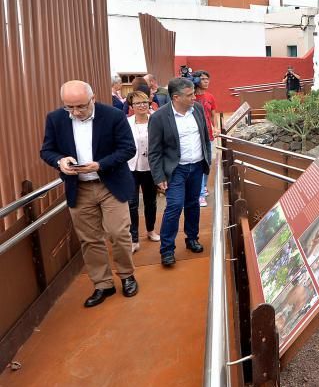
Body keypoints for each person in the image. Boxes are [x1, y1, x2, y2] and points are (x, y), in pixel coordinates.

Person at [40, 80, 138, 307]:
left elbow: (127, 149)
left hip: (110, 183)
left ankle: (127, 275)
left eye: (81, 106)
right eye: (69, 107)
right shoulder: (55, 119)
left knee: (118, 233)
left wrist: (100, 165)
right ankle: (103, 284)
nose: (75, 112)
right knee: (89, 239)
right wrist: (59, 160)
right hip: (79, 187)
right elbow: (47, 150)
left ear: (92, 99)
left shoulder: (113, 115)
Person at [148, 77, 212, 267]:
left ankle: (192, 238)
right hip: (176, 170)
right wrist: (158, 176)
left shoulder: (198, 110)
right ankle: (167, 250)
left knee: (193, 204)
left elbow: (204, 136)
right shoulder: (159, 117)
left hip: (197, 167)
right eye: (190, 95)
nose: (194, 97)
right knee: (174, 206)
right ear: (176, 97)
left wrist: (207, 159)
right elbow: (154, 150)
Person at [126, 90, 160, 253]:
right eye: (138, 103)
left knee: (150, 201)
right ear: (131, 106)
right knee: (132, 203)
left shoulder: (155, 120)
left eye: (145, 102)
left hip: (150, 167)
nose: (142, 105)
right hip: (131, 167)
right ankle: (133, 238)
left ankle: (151, 230)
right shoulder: (127, 122)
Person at [193, 70, 218, 207]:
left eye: (207, 79)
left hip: (208, 134)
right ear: (196, 80)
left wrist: (215, 128)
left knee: (207, 163)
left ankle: (203, 187)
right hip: (197, 136)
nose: (206, 81)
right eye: (203, 79)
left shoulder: (210, 96)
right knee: (200, 163)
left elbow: (213, 114)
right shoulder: (191, 96)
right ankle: (200, 193)